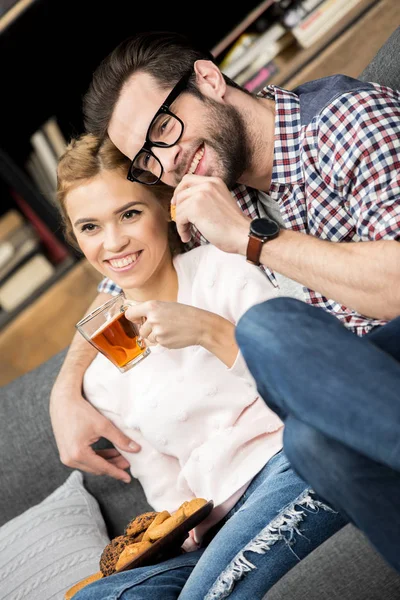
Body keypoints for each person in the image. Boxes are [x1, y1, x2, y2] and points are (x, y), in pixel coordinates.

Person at [50, 31, 400, 571]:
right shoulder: (210, 182)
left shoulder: (344, 122)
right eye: (147, 160)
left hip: (386, 350)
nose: (166, 165)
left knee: (266, 330)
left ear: (209, 80)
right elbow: (125, 263)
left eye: (163, 130)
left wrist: (252, 238)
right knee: (312, 443)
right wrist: (66, 388)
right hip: (344, 406)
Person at [56, 133, 345, 600]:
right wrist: (178, 530)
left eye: (129, 214)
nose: (113, 242)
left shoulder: (224, 270)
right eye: (90, 227)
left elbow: (304, 382)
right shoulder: (102, 371)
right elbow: (165, 484)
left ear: (164, 209)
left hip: (290, 465)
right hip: (211, 525)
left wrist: (208, 330)